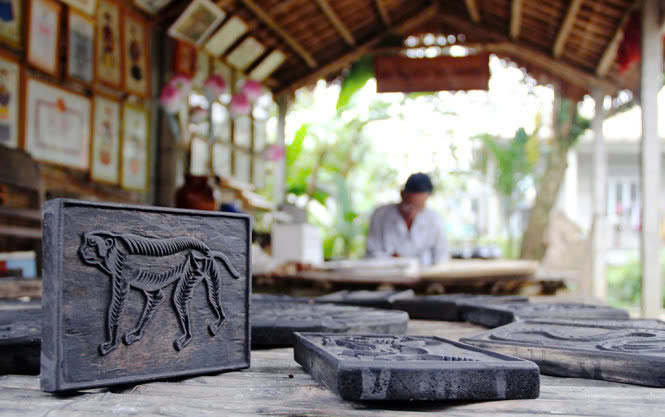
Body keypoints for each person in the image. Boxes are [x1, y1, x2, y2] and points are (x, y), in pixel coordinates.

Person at [366, 173, 449, 266]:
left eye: (419, 207)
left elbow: (442, 257)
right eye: (409, 205)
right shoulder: (381, 215)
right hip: (387, 275)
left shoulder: (434, 219)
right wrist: (395, 260)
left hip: (424, 276)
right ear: (402, 194)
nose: (412, 212)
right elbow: (372, 253)